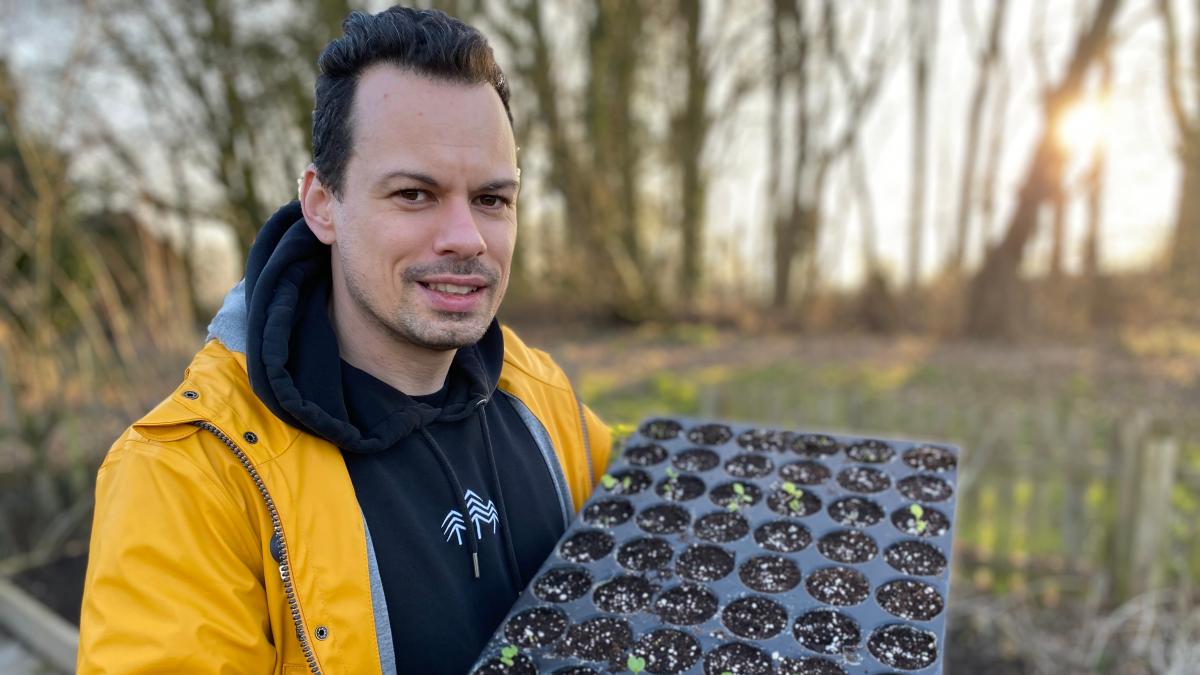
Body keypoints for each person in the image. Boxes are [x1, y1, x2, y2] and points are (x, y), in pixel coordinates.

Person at [77, 7, 610, 674]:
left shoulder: (537, 395)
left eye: (492, 199)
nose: (466, 237)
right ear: (322, 203)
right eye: (415, 194)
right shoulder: (188, 478)